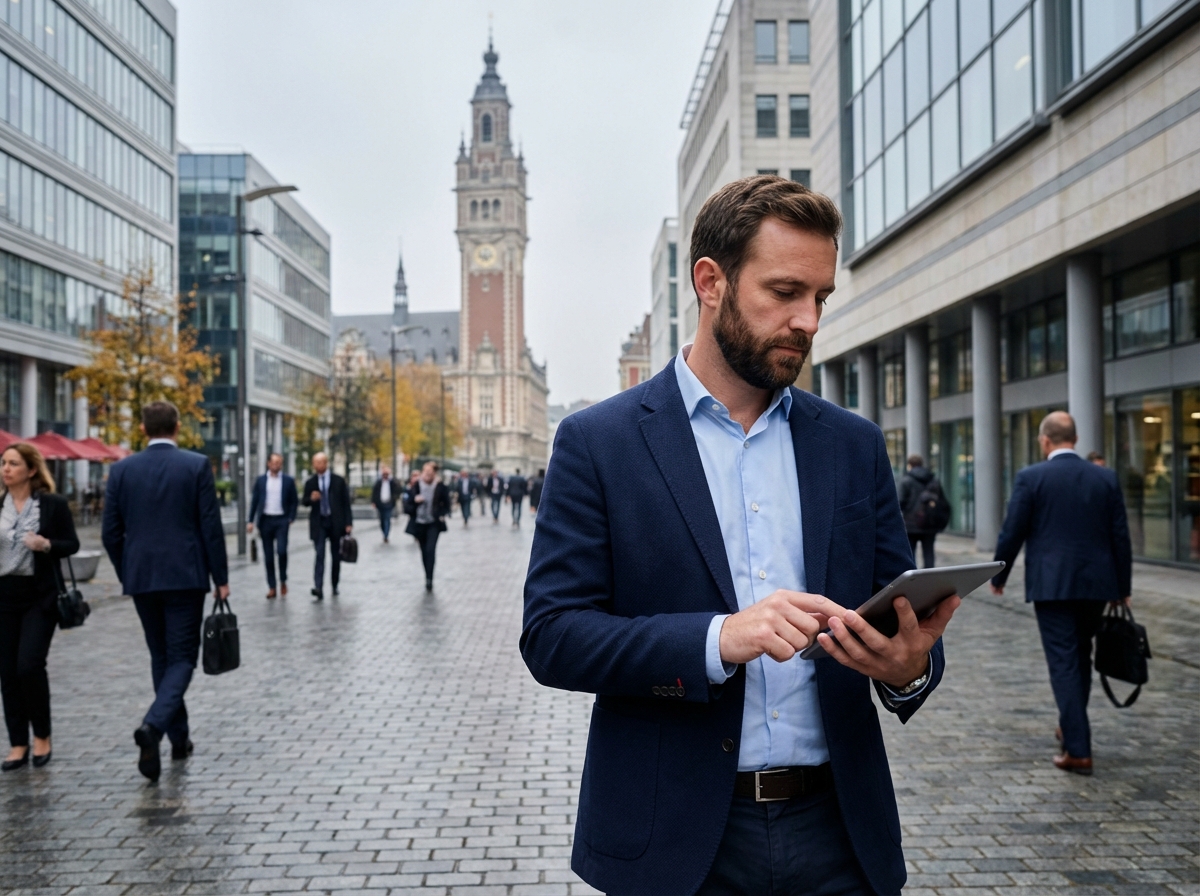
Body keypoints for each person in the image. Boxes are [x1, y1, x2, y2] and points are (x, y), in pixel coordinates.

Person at [521, 176, 959, 896]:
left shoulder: (852, 446)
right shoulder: (598, 443)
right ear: (710, 282)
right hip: (676, 842)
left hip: (841, 837)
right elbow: (553, 635)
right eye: (785, 292)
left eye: (820, 298)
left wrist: (908, 666)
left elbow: (899, 624)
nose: (808, 321)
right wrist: (717, 639)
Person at [991, 411, 1132, 776]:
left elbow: (1013, 530)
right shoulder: (1104, 477)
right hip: (1097, 585)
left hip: (1052, 585)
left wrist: (998, 571)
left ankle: (1079, 749)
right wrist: (1123, 588)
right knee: (1080, 655)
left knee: (1064, 662)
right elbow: (1120, 536)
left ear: (1045, 441)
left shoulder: (1032, 477)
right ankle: (1071, 726)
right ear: (1076, 437)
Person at [102, 401, 228, 782]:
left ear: (143, 429)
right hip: (185, 576)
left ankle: (178, 739)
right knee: (182, 659)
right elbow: (210, 526)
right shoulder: (195, 465)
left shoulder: (121, 470)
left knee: (162, 657)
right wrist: (220, 577)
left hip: (142, 577)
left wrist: (129, 568)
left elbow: (111, 532)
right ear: (177, 427)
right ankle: (155, 727)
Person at [0, 443, 78, 772]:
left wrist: (46, 544)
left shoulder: (52, 505)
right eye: (3, 463)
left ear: (31, 470)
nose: (5, 469)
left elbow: (71, 544)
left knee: (29, 665)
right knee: (7, 671)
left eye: (13, 463)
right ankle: (18, 742)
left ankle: (42, 735)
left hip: (39, 596)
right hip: (3, 596)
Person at [300, 452, 352, 601]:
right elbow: (304, 501)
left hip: (336, 522)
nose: (319, 465)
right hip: (319, 523)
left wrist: (348, 523)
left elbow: (345, 503)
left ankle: (335, 584)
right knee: (320, 554)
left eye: (321, 462)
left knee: (336, 556)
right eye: (316, 463)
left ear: (326, 463)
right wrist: (311, 498)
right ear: (313, 464)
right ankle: (318, 587)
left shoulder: (338, 481)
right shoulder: (311, 482)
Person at [247, 453, 297, 599]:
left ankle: (283, 579)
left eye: (279, 463)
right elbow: (255, 501)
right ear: (268, 463)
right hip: (266, 521)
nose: (276, 465)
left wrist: (291, 517)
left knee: (281, 551)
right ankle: (272, 586)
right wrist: (250, 521)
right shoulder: (261, 480)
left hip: (282, 520)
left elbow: (294, 500)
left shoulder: (288, 480)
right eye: (274, 462)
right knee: (268, 556)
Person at [403, 461, 450, 591]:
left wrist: (441, 513)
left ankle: (430, 578)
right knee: (423, 551)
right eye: (425, 472)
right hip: (419, 523)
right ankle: (427, 574)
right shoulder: (416, 486)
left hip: (434, 523)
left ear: (434, 473)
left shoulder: (440, 486)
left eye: (430, 472)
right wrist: (415, 501)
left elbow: (447, 504)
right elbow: (407, 505)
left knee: (430, 549)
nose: (427, 475)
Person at [899, 454, 942, 568]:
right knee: (929, 553)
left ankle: (913, 580)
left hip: (911, 523)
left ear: (910, 465)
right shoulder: (933, 479)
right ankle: (929, 580)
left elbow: (900, 502)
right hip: (929, 522)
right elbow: (940, 500)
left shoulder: (906, 480)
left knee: (910, 554)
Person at [370, 466, 397, 543]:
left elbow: (397, 490)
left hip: (389, 503)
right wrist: (373, 502)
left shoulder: (392, 482)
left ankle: (386, 535)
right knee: (382, 519)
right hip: (380, 503)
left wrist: (393, 500)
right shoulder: (378, 482)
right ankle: (384, 532)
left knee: (387, 519)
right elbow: (374, 492)